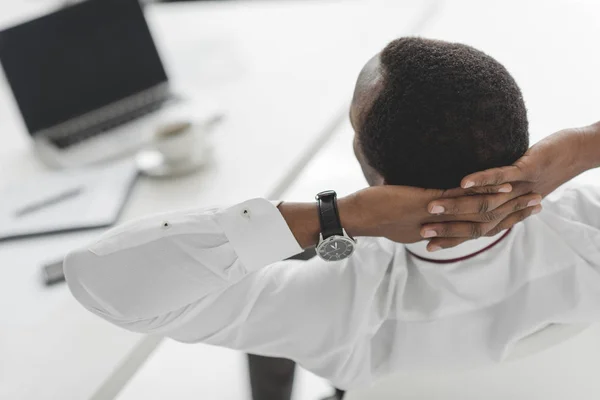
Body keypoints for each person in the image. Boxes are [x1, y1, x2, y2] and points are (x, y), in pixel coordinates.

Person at [64, 37, 600, 394]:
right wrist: (582, 146)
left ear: (369, 167)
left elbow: (97, 277)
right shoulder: (588, 230)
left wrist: (334, 217)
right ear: (520, 141)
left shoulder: (337, 307)